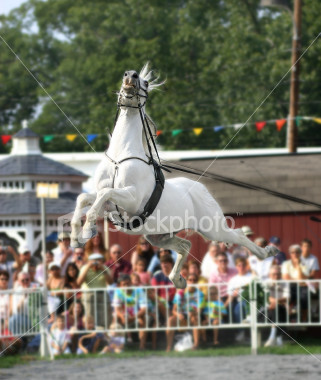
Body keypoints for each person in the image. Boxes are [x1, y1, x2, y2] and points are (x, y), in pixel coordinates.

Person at [166, 273, 204, 351]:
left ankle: (196, 345)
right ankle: (169, 346)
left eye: (194, 280)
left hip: (194, 315)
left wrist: (193, 313)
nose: (192, 282)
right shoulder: (180, 292)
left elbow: (200, 310)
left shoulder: (200, 294)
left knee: (195, 318)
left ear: (197, 282)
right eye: (190, 280)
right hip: (181, 315)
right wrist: (178, 314)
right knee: (170, 320)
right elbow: (173, 310)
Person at [77, 253, 112, 328]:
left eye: (98, 260)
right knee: (89, 315)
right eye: (94, 261)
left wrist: (103, 269)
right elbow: (79, 282)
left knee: (104, 315)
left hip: (102, 294)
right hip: (89, 294)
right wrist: (88, 267)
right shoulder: (84, 268)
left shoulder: (105, 268)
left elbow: (110, 282)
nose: (96, 263)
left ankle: (103, 332)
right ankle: (90, 332)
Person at [112, 274, 147, 349]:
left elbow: (143, 309)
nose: (126, 286)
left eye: (128, 283)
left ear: (131, 282)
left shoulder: (138, 290)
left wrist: (132, 318)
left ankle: (142, 347)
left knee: (143, 319)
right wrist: (122, 317)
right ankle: (117, 347)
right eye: (124, 284)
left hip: (136, 316)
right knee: (115, 319)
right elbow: (117, 310)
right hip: (124, 316)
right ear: (120, 285)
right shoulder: (118, 292)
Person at [226, 257, 252, 341]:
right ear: (236, 267)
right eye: (239, 265)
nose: (241, 267)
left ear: (246, 266)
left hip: (252, 300)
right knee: (238, 308)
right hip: (240, 300)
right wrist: (222, 306)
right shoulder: (233, 280)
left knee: (241, 306)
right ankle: (242, 332)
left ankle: (244, 333)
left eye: (243, 265)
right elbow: (230, 296)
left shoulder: (251, 277)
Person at [282, 244, 309, 321]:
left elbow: (302, 278)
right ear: (290, 254)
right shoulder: (285, 264)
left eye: (297, 252)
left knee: (304, 297)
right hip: (289, 286)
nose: (295, 254)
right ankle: (287, 317)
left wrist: (298, 265)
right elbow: (286, 278)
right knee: (285, 297)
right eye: (292, 252)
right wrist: (298, 280)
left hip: (302, 286)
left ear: (300, 253)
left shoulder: (305, 263)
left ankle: (304, 318)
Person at [263, 265, 289, 347]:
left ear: (281, 274)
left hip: (279, 309)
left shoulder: (285, 283)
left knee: (278, 309)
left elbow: (287, 298)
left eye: (278, 274)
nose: (276, 276)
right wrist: (278, 301)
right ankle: (278, 338)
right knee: (278, 310)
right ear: (270, 275)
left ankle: (272, 337)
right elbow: (268, 298)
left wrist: (275, 302)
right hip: (265, 312)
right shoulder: (266, 283)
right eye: (274, 274)